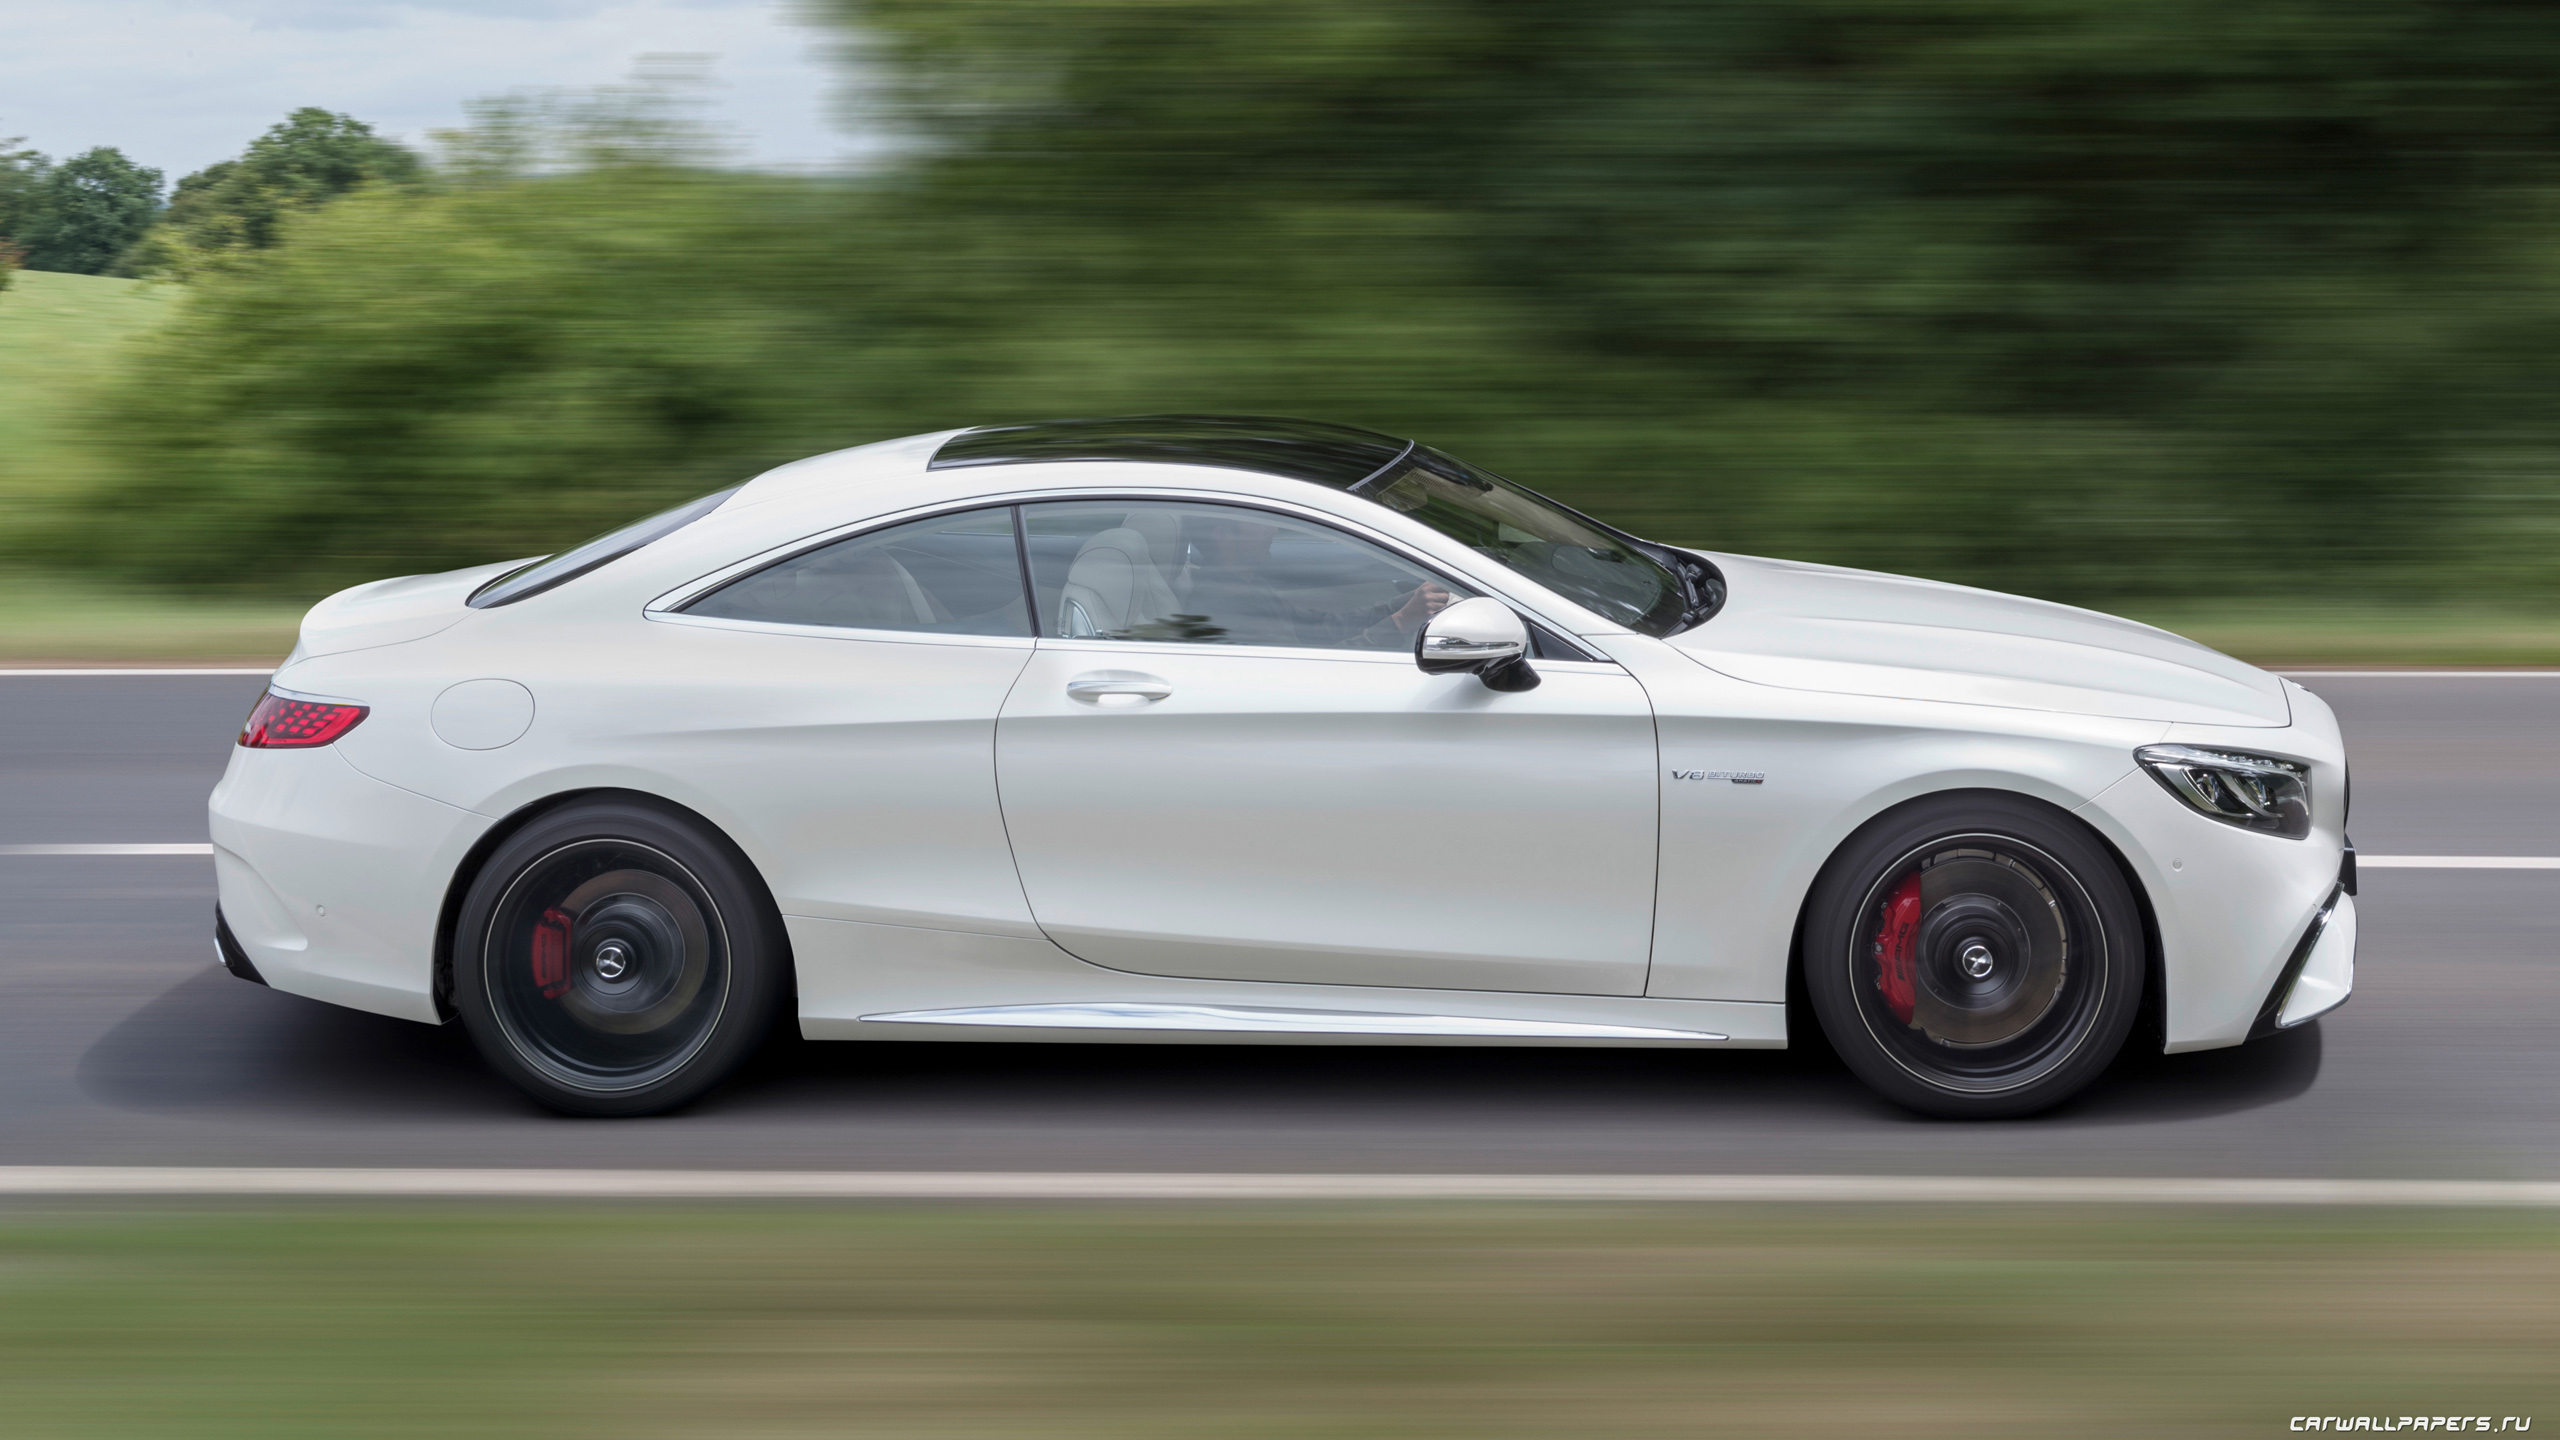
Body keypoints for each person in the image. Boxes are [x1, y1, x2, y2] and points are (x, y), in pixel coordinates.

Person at [1160, 512, 1454, 649]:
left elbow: (1320, 627)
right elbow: (1313, 671)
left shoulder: (1244, 585)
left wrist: (1402, 604)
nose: (1272, 529)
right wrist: (1401, 621)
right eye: (1258, 522)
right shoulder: (1226, 606)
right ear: (1223, 536)